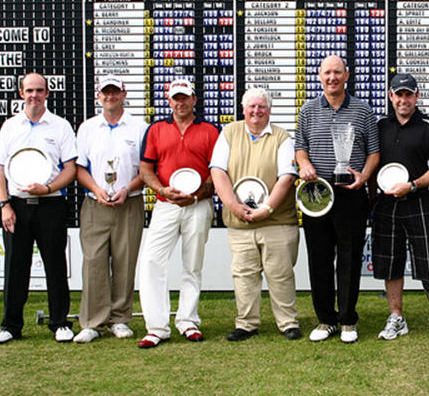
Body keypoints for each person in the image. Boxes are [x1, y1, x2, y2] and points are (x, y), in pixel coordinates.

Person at [295, 55, 380, 343]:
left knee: (349, 257)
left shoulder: (363, 110)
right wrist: (304, 164)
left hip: (351, 194)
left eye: (337, 72)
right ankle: (325, 319)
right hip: (317, 193)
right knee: (319, 258)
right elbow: (300, 148)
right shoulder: (307, 111)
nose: (332, 78)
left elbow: (374, 152)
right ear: (320, 76)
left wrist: (364, 177)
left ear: (347, 75)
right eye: (327, 73)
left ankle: (347, 320)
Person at [0, 72, 77, 344]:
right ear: (21, 93)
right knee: (15, 266)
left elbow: (70, 169)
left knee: (55, 264)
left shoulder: (60, 126)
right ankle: (10, 326)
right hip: (17, 206)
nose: (34, 95)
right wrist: (5, 205)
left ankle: (60, 323)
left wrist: (48, 188)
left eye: (39, 90)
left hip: (51, 204)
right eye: (29, 90)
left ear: (47, 93)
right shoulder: (10, 126)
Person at [210, 87, 301, 342]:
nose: (256, 111)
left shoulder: (282, 137)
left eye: (262, 106)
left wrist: (267, 209)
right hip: (240, 222)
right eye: (252, 106)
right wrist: (233, 206)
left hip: (277, 220)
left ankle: (288, 322)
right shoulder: (229, 133)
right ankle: (246, 323)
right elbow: (218, 171)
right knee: (244, 274)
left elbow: (286, 178)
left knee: (280, 273)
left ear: (269, 110)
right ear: (243, 109)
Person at [136, 79, 219, 348]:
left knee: (192, 264)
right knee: (151, 261)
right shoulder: (157, 129)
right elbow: (145, 170)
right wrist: (163, 189)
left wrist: (196, 195)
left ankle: (187, 320)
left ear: (194, 100)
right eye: (175, 98)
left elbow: (218, 174)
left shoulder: (210, 130)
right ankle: (157, 327)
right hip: (165, 203)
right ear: (168, 100)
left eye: (185, 97)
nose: (180, 102)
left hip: (198, 204)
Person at [372, 73, 429, 343]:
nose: (403, 100)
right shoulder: (379, 124)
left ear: (417, 96)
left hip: (420, 200)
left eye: (408, 94)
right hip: (386, 204)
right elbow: (370, 161)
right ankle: (397, 317)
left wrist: (414, 185)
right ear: (390, 97)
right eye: (398, 94)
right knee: (390, 263)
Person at [72, 77, 148, 343]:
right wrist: (96, 189)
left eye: (115, 91)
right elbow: (79, 168)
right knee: (93, 262)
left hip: (130, 202)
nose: (111, 96)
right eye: (106, 92)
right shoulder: (87, 128)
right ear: (99, 96)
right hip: (95, 204)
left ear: (124, 94)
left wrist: (126, 189)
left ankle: (120, 319)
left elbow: (147, 170)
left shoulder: (140, 128)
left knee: (125, 262)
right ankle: (93, 322)